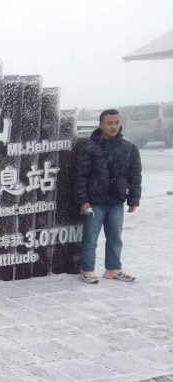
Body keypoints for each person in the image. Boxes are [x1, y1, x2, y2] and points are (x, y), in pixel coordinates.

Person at [73, 108, 142, 284]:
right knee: (90, 238)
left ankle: (113, 269)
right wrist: (83, 200)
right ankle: (86, 270)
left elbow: (135, 175)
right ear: (101, 125)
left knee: (115, 237)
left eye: (116, 122)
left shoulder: (129, 148)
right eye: (109, 123)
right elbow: (80, 176)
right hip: (95, 201)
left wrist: (134, 198)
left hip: (116, 200)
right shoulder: (89, 148)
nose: (113, 126)